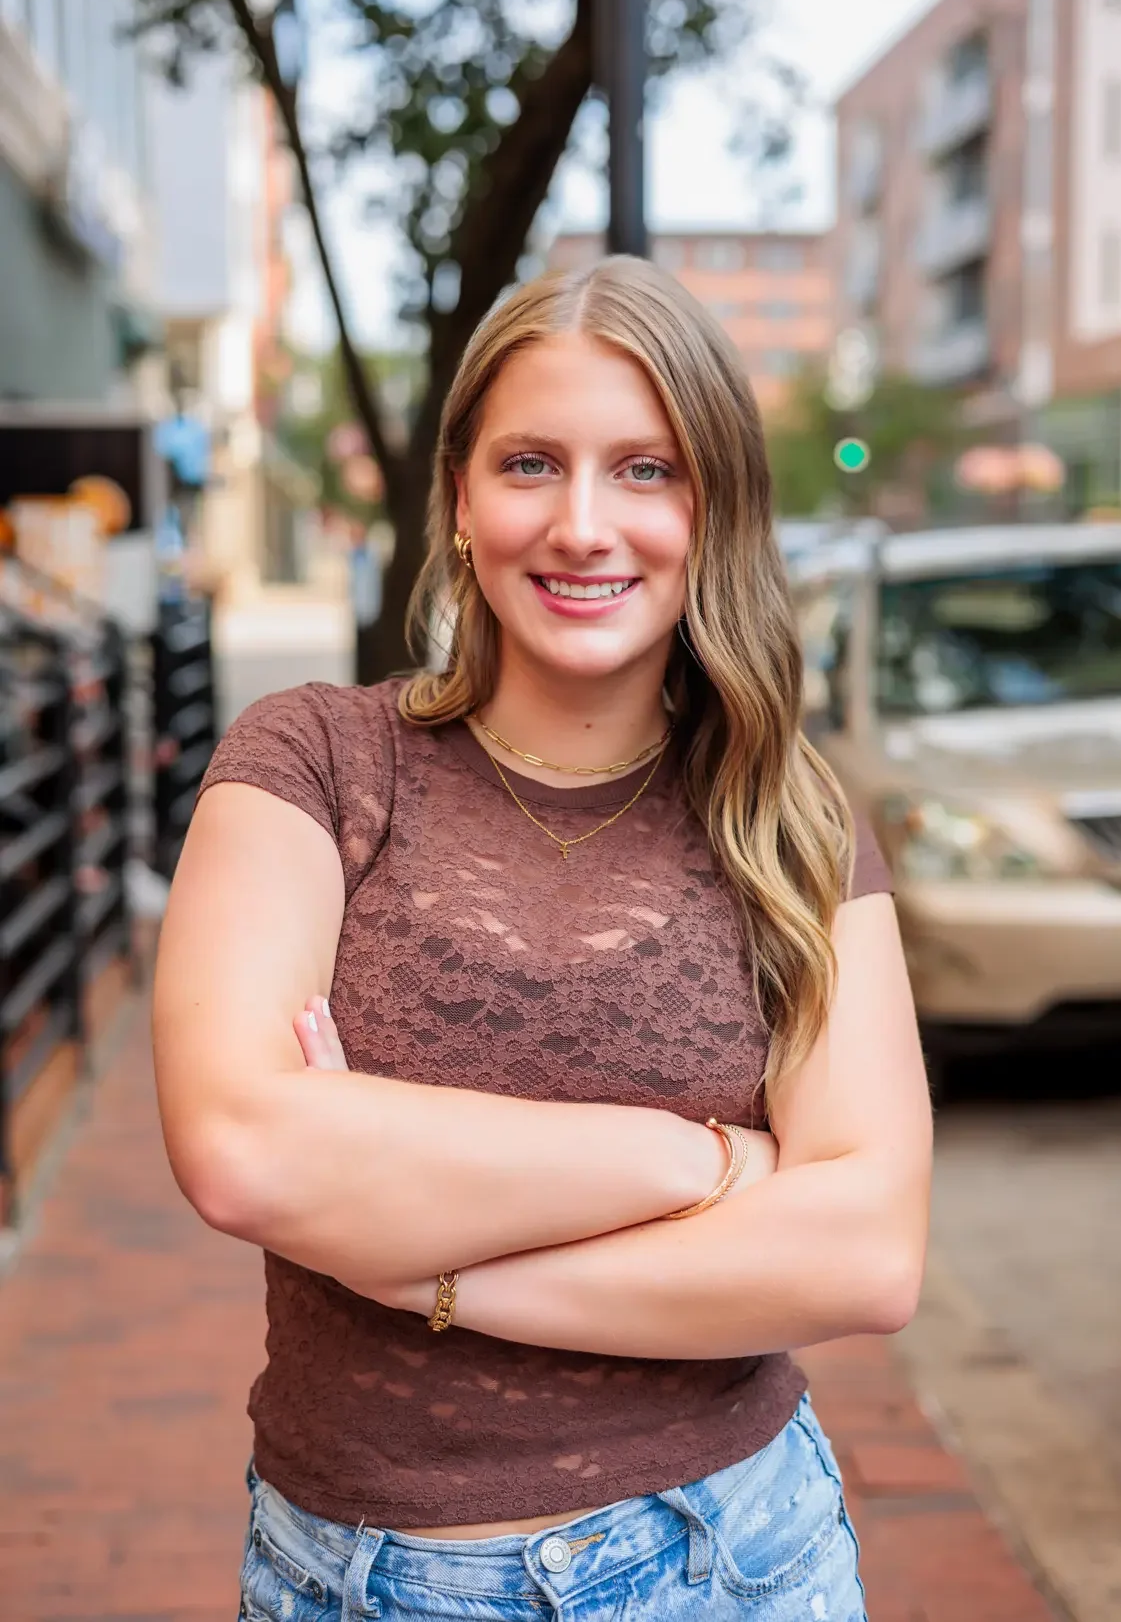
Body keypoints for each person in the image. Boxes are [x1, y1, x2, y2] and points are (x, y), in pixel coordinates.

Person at [152, 256, 932, 1622]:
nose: (583, 524)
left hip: (734, 1558)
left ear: (714, 509)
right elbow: (241, 1149)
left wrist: (420, 1262)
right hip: (361, 1581)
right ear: (459, 495)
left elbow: (863, 1255)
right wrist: (696, 1161)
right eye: (530, 464)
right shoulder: (316, 763)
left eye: (645, 469)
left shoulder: (789, 817)